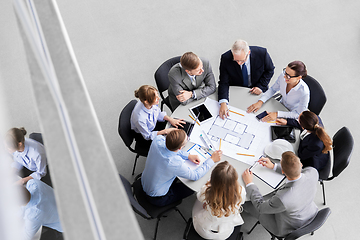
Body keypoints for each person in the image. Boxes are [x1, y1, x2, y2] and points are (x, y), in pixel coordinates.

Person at [242, 151, 318, 237]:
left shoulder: (282, 199)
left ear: (282, 171)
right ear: (301, 164)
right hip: (309, 211)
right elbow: (295, 172)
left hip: (286, 227)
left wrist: (249, 183)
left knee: (245, 202)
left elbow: (260, 207)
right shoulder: (313, 172)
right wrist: (274, 166)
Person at [141, 129, 222, 207]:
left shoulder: (157, 140)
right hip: (156, 198)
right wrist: (212, 160)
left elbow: (169, 149)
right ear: (180, 148)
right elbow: (195, 175)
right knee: (190, 189)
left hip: (144, 182)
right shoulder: (175, 163)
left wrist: (188, 156)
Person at [218, 39, 275, 119]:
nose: (239, 63)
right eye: (236, 60)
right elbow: (224, 82)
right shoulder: (226, 58)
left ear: (248, 53)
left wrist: (261, 86)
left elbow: (270, 70)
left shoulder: (262, 53)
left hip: (257, 89)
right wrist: (223, 102)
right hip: (237, 89)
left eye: (242, 60)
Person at [192, 161, 246, 240]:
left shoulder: (206, 191)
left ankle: (208, 207)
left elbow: (199, 197)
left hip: (203, 230)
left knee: (198, 201)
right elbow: (242, 202)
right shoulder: (241, 192)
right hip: (224, 233)